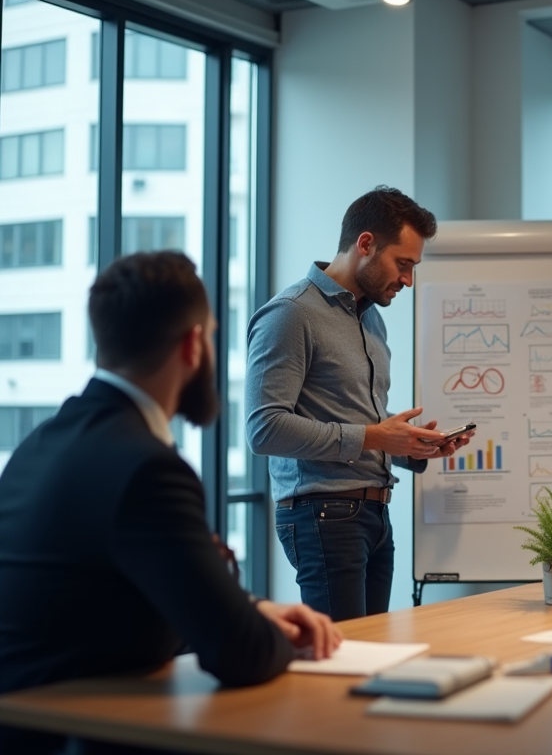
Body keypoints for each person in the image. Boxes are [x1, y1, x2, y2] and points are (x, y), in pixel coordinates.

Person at [0, 251, 340, 754]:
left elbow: (122, 595)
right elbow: (239, 653)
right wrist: (257, 628)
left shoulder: (42, 442)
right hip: (77, 734)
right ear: (192, 345)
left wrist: (252, 609)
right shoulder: (146, 467)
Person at [245, 186, 472, 622]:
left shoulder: (372, 321)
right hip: (324, 515)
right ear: (365, 244)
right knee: (342, 663)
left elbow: (357, 423)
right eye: (402, 264)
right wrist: (376, 435)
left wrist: (408, 445)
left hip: (374, 515)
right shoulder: (290, 314)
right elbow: (264, 428)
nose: (408, 280)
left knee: (368, 657)